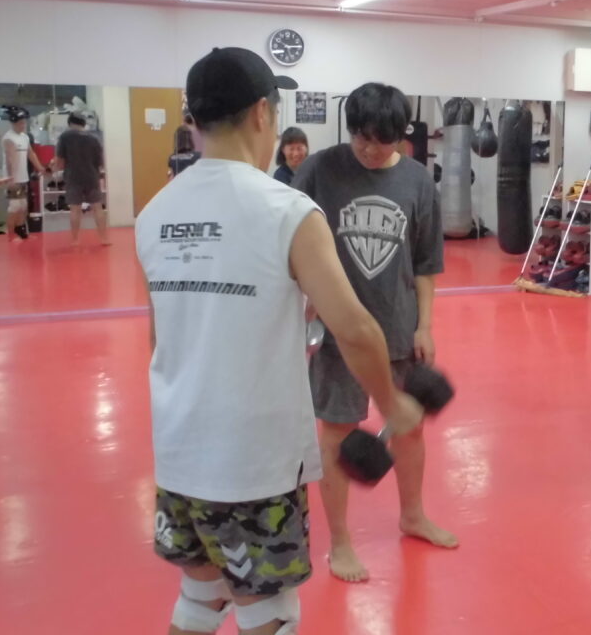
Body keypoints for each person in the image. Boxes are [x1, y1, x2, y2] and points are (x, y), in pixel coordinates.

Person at [135, 48, 423, 635]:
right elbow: (356, 329)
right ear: (262, 114)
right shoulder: (286, 210)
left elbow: (159, 337)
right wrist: (392, 404)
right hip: (255, 465)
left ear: (194, 119)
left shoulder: (154, 214)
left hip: (178, 454)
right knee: (270, 613)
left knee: (200, 597)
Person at [292, 82, 456, 584]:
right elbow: (288, 239)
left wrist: (425, 324)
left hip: (398, 325)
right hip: (337, 330)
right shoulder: (318, 170)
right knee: (337, 434)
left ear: (401, 136)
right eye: (361, 137)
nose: (369, 149)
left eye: (381, 141)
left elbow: (425, 263)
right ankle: (341, 543)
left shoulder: (417, 181)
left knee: (408, 427)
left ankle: (413, 515)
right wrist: (303, 294)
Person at [53, 112, 110, 246]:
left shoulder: (65, 136)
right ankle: (104, 239)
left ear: (70, 123)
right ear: (84, 123)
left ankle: (75, 240)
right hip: (92, 176)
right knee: (97, 207)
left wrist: (55, 169)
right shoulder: (94, 138)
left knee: (75, 209)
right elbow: (100, 161)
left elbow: (60, 160)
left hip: (73, 177)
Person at [2, 108, 48, 242]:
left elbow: (31, 154)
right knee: (14, 207)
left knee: (23, 205)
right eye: (20, 123)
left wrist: (40, 168)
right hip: (13, 178)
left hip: (23, 177)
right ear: (13, 123)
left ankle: (21, 231)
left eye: (24, 122)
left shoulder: (25, 137)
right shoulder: (8, 138)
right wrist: (11, 178)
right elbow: (10, 160)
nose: (23, 125)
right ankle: (10, 235)